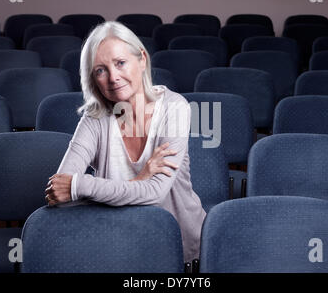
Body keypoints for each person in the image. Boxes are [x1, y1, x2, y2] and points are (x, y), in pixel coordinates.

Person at [44, 21, 206, 264]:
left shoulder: (175, 108)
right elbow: (59, 192)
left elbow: (155, 193)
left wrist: (80, 186)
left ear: (141, 59)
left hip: (179, 245)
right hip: (116, 242)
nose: (113, 77)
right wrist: (139, 180)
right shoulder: (94, 118)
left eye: (120, 63)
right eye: (100, 70)